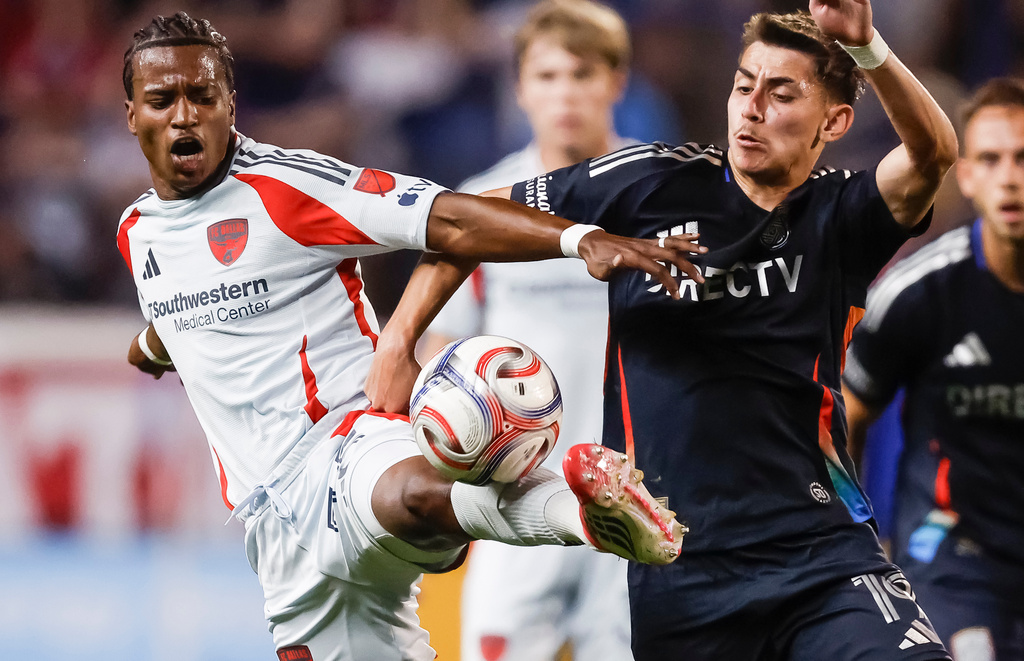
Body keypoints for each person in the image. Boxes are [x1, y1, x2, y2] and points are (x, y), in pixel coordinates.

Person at [370, 1, 961, 659]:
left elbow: (934, 152)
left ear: (835, 120)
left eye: (781, 92)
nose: (752, 107)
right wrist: (398, 340)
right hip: (667, 556)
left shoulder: (842, 214)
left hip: (818, 553)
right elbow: (465, 221)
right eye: (744, 85)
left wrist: (868, 47)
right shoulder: (648, 184)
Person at [116, 12, 698, 661]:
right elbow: (187, 302)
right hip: (277, 532)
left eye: (203, 96)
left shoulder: (290, 188)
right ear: (131, 113)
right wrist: (150, 346)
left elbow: (445, 217)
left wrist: (575, 238)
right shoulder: (138, 232)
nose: (185, 115)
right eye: (164, 99)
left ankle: (583, 513)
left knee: (406, 494)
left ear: (231, 102)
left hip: (345, 442)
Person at [423, 2, 635, 660]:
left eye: (582, 73)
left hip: (637, 497)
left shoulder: (660, 199)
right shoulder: (482, 206)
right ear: (519, 88)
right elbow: (439, 350)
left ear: (616, 81)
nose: (565, 92)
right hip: (517, 499)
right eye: (546, 76)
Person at [843, 78, 1024, 660]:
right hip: (952, 554)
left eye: (1023, 158)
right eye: (991, 159)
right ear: (966, 176)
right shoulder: (918, 292)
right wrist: (850, 542)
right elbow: (844, 413)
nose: (1010, 177)